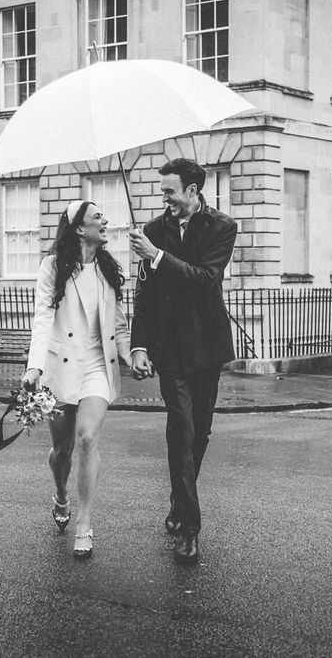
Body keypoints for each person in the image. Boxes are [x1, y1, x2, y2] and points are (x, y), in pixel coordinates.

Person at [129, 157, 237, 565]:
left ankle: (178, 502)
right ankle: (190, 529)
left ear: (193, 190)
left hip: (207, 347)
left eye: (170, 192)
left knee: (200, 434)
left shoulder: (222, 227)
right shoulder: (153, 231)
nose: (165, 199)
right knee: (181, 429)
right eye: (163, 193)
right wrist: (139, 346)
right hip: (170, 348)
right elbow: (145, 295)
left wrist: (157, 256)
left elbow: (204, 279)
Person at [22, 200, 131, 560]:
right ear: (79, 229)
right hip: (60, 369)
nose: (105, 220)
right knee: (62, 450)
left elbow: (118, 326)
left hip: (97, 365)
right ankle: (61, 494)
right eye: (97, 216)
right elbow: (42, 319)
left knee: (87, 438)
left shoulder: (109, 270)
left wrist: (134, 354)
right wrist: (34, 367)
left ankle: (84, 523)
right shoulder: (53, 268)